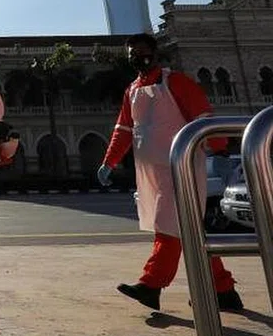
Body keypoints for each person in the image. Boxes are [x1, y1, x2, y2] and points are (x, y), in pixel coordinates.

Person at [98, 33, 242, 311]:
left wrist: (220, 150)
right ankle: (223, 289)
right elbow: (124, 129)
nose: (137, 57)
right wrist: (109, 162)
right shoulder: (132, 90)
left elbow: (203, 116)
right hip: (152, 171)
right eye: (132, 54)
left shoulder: (175, 81)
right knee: (188, 229)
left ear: (155, 53)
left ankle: (151, 284)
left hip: (181, 166)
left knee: (167, 226)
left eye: (141, 51)